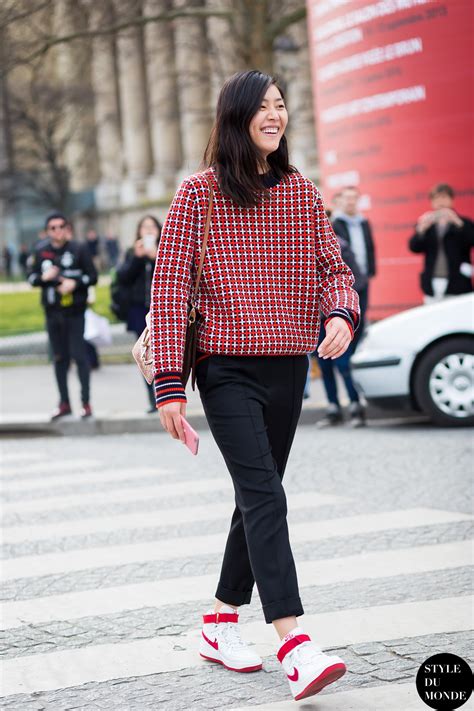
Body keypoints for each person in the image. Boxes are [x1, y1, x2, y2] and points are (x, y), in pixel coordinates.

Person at [150, 70, 359, 702]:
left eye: (281, 105)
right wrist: (169, 386)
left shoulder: (301, 191)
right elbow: (170, 289)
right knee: (266, 495)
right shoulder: (197, 195)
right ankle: (294, 643)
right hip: (226, 369)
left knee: (256, 496)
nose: (276, 115)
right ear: (236, 117)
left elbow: (333, 268)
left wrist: (340, 312)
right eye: (263, 107)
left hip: (289, 366)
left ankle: (218, 620)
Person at [28, 212, 98, 419]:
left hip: (75, 312)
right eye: (53, 228)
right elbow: (31, 278)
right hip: (52, 312)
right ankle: (64, 403)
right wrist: (43, 278)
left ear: (67, 229)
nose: (57, 231)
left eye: (61, 227)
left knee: (79, 356)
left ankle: (86, 402)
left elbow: (92, 277)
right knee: (59, 358)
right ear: (47, 231)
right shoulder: (41, 251)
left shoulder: (79, 249)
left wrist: (74, 284)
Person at [316, 221, 368, 428]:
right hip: (315, 319)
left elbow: (358, 281)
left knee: (343, 363)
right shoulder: (298, 243)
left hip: (337, 317)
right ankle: (333, 408)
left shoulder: (339, 246)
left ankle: (356, 406)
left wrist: (347, 312)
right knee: (324, 364)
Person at [117, 215, 161, 413]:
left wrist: (155, 257)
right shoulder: (133, 252)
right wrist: (137, 257)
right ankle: (152, 399)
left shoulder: (166, 249)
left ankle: (165, 395)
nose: (149, 231)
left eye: (152, 227)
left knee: (163, 354)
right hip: (139, 310)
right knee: (144, 355)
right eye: (145, 227)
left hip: (159, 310)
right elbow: (123, 278)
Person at [408, 183, 474, 303]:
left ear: (451, 200)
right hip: (432, 281)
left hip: (458, 282)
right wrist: (421, 230)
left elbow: (470, 240)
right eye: (436, 198)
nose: (440, 202)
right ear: (432, 202)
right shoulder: (427, 224)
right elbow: (414, 247)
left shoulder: (464, 223)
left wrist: (458, 223)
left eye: (444, 198)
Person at [331, 186, 376, 349]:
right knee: (349, 317)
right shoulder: (335, 224)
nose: (351, 201)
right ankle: (345, 356)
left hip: (363, 278)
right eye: (347, 198)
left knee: (362, 317)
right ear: (341, 201)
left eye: (354, 198)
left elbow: (370, 247)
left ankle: (354, 352)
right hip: (346, 280)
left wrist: (370, 271)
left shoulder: (363, 222)